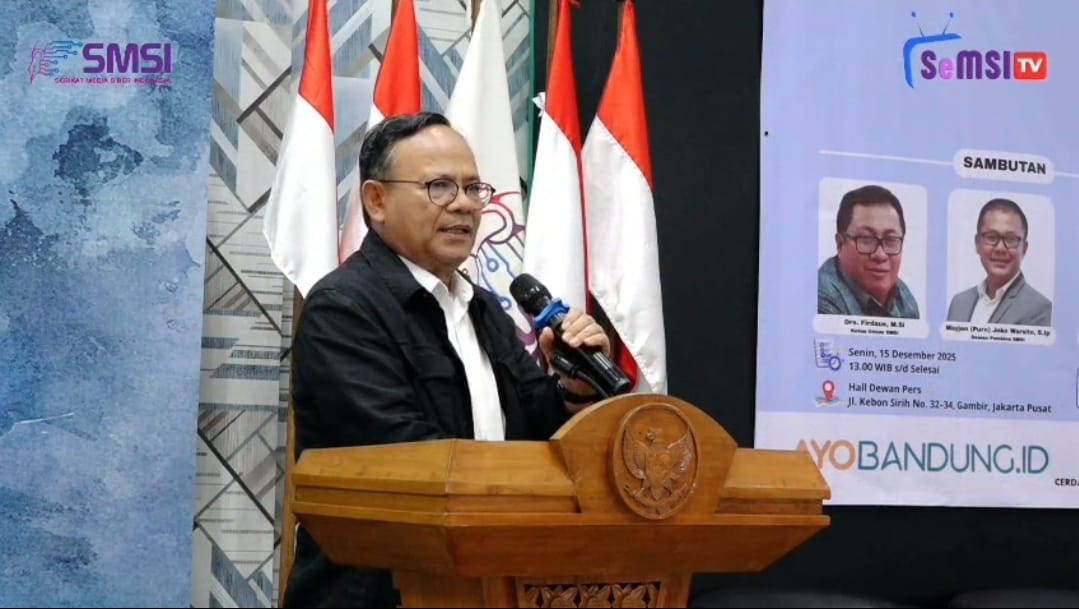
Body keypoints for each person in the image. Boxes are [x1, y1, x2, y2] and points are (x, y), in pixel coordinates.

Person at [282, 112, 612, 608]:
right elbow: (406, 458)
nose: (464, 204)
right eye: (439, 187)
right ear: (376, 200)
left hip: (489, 582)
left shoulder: (482, 308)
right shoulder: (344, 309)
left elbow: (534, 426)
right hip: (380, 592)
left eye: (473, 188)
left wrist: (574, 389)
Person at [817, 184, 920, 318]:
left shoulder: (904, 297)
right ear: (840, 243)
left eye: (890, 239)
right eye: (866, 239)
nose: (880, 255)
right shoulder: (821, 298)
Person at [947, 198, 1051, 326]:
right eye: (991, 237)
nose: (1000, 248)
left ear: (1024, 248)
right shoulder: (959, 303)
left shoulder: (1040, 309)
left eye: (1011, 239)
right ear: (977, 243)